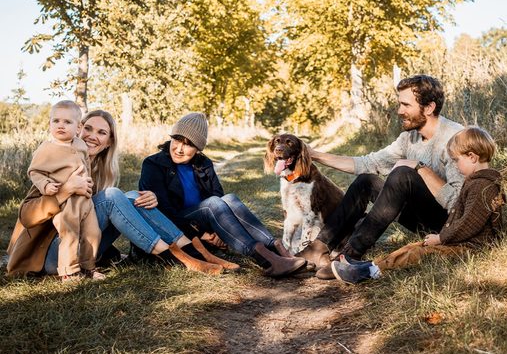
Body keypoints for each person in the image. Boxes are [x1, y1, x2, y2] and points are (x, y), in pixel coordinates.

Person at [7, 109, 236, 278]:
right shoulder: (56, 161)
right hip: (50, 257)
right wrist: (64, 191)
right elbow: (27, 217)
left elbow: (93, 223)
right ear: (78, 129)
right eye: (87, 128)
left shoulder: (98, 172)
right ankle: (174, 257)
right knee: (112, 196)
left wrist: (148, 201)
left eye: (101, 132)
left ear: (108, 142)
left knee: (133, 197)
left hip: (81, 253)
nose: (92, 136)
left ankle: (193, 250)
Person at [299, 75, 465, 279]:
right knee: (366, 181)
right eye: (399, 104)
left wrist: (419, 168)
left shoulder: (456, 138)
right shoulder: (409, 138)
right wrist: (313, 154)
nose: (399, 111)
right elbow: (366, 163)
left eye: (405, 105)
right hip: (421, 217)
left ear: (429, 108)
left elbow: (459, 204)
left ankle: (350, 256)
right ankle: (318, 248)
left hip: (447, 226)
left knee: (403, 173)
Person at [139, 112, 307, 278]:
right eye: (177, 140)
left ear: (198, 148)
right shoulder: (153, 165)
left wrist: (219, 231)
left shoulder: (203, 163)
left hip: (204, 222)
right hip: (179, 230)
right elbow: (163, 213)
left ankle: (278, 250)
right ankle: (267, 260)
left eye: (188, 144)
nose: (179, 149)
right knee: (213, 203)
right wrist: (203, 234)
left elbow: (219, 197)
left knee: (229, 199)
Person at [332, 126, 505, 283]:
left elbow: (469, 224)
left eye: (456, 160)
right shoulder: (478, 182)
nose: (455, 165)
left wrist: (441, 238)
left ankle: (367, 273)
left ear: (472, 157)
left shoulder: (482, 186)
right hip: (461, 240)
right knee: (414, 246)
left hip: (470, 246)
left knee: (417, 253)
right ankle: (368, 266)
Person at [27, 100, 102, 281]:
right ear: (50, 124)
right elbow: (34, 171)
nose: (61, 125)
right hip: (64, 201)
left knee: (93, 232)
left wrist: (88, 182)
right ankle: (69, 272)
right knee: (69, 233)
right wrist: (45, 185)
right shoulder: (46, 149)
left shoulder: (80, 145)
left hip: (84, 199)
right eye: (56, 121)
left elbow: (85, 166)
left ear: (78, 128)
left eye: (67, 122)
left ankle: (88, 267)